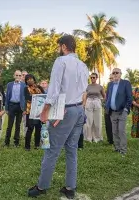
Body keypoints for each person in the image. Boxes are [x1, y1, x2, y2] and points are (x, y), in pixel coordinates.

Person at [27, 35, 88, 199]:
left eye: (58, 47)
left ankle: (42, 187)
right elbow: (84, 90)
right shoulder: (83, 65)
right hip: (78, 110)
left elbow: (53, 89)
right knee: (72, 150)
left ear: (63, 46)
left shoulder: (61, 62)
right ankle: (70, 187)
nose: (58, 50)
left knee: (51, 149)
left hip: (65, 111)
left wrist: (45, 110)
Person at [105, 68, 132, 155]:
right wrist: (107, 106)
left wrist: (126, 109)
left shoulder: (126, 83)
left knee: (121, 130)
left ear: (120, 74)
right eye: (113, 73)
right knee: (114, 131)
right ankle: (117, 148)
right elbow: (108, 97)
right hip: (112, 112)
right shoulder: (110, 84)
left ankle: (123, 150)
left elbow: (129, 98)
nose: (115, 74)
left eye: (117, 72)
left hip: (122, 111)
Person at [4, 70, 26, 147]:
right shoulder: (9, 85)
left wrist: (25, 109)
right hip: (11, 106)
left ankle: (16, 142)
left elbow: (25, 98)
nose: (18, 77)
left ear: (21, 77)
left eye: (20, 75)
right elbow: (7, 97)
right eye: (16, 75)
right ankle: (6, 142)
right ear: (14, 76)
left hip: (20, 106)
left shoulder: (24, 85)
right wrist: (6, 108)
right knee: (10, 125)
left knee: (18, 125)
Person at [24, 74, 45, 150]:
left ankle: (37, 144)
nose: (30, 80)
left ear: (34, 79)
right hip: (30, 111)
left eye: (31, 79)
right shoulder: (26, 89)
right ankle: (27, 146)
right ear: (26, 81)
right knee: (30, 128)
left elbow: (44, 96)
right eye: (28, 79)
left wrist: (38, 97)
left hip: (39, 111)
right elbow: (28, 98)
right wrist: (38, 97)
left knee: (38, 128)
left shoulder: (39, 87)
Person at [83, 73, 106, 143]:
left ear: (96, 78)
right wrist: (83, 103)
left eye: (94, 77)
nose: (92, 79)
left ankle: (97, 138)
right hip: (88, 102)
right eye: (91, 77)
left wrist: (101, 102)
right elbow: (85, 96)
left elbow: (104, 96)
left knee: (97, 121)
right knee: (88, 121)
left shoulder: (100, 87)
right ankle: (88, 138)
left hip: (97, 102)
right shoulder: (87, 86)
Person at [104, 74, 114, 144]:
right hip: (108, 108)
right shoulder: (109, 85)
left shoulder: (120, 86)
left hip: (115, 109)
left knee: (115, 125)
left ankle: (115, 139)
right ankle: (110, 139)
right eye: (109, 78)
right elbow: (107, 96)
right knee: (108, 124)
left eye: (112, 78)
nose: (110, 79)